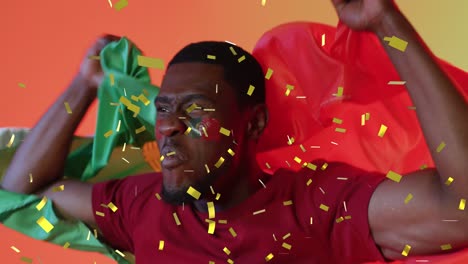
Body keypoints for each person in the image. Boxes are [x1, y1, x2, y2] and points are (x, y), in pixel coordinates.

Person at [2, 0, 468, 263]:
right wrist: (84, 85)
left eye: (195, 108)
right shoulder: (141, 205)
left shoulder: (316, 204)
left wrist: (386, 22)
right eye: (163, 108)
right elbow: (23, 192)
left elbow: (461, 209)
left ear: (254, 125)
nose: (166, 126)